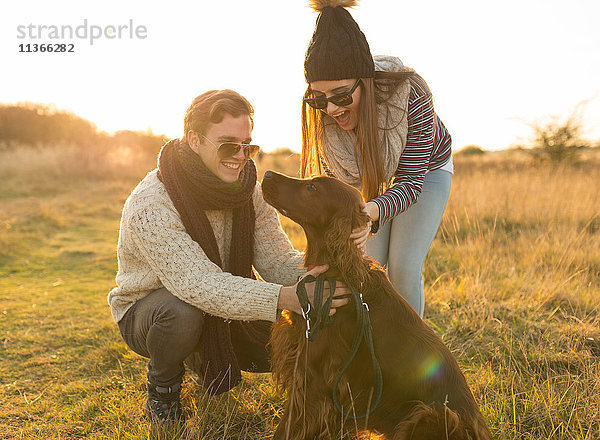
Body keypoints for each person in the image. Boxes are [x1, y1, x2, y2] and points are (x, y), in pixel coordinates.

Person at [107, 89, 348, 424]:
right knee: (183, 312)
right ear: (195, 140)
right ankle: (162, 390)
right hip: (151, 313)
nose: (239, 156)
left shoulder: (249, 190)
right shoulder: (151, 205)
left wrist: (325, 275)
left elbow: (276, 261)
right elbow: (199, 285)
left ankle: (203, 358)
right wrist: (287, 298)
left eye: (247, 146)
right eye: (228, 145)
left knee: (291, 332)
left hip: (217, 300)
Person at [300, 0, 453, 317]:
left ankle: (412, 356)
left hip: (426, 171)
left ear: (364, 82)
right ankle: (371, 347)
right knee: (368, 263)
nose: (330, 110)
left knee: (403, 266)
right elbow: (339, 187)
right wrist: (356, 219)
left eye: (342, 96)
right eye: (319, 98)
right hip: (369, 178)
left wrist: (371, 211)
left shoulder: (410, 91)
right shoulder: (323, 116)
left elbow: (410, 183)